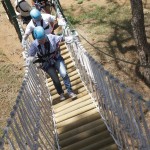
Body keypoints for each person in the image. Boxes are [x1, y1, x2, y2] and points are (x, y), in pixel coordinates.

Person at [26, 26, 76, 100]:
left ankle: (70, 92)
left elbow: (61, 38)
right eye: (40, 40)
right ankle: (61, 93)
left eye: (43, 38)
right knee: (55, 78)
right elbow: (30, 56)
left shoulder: (51, 37)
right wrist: (33, 62)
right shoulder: (34, 44)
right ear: (37, 39)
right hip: (46, 63)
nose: (42, 41)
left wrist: (70, 38)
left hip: (56, 58)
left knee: (64, 73)